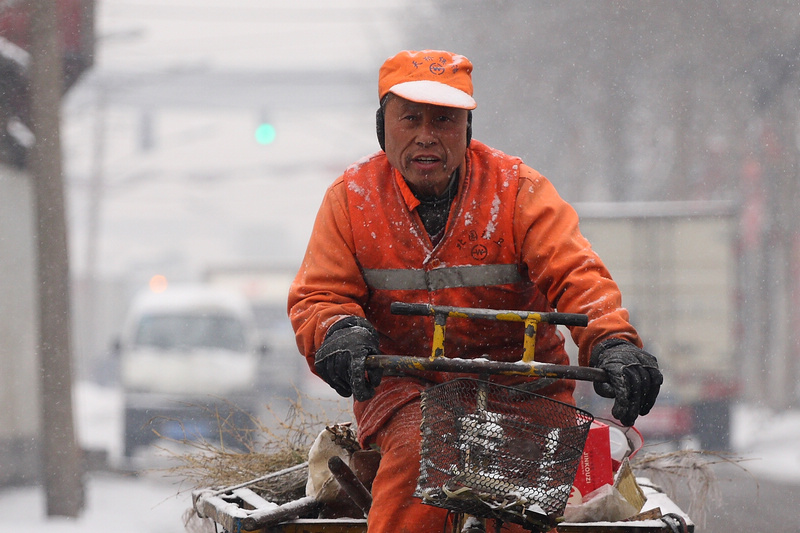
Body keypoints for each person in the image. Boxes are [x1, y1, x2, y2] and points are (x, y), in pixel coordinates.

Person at [288, 49, 662, 533]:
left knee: (523, 511)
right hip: (408, 393)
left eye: (444, 120)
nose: (426, 135)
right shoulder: (351, 200)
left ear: (466, 130)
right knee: (417, 463)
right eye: (411, 119)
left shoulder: (518, 192)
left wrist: (613, 343)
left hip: (525, 389)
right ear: (384, 129)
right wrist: (338, 333)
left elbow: (579, 276)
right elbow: (320, 296)